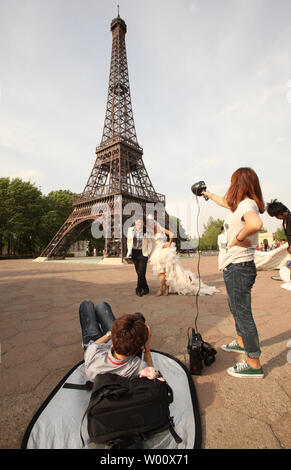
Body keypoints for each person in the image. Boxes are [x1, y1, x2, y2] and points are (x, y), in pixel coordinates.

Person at [202, 167, 265, 379]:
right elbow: (224, 202)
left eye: (232, 181)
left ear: (239, 183)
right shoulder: (240, 205)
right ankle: (241, 342)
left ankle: (254, 363)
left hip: (240, 267)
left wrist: (238, 237)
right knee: (236, 308)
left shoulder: (247, 204)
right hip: (234, 266)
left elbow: (256, 224)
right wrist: (207, 194)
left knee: (243, 314)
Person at [79, 300, 153, 382]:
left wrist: (110, 334)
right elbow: (151, 375)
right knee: (102, 306)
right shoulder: (137, 366)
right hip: (115, 345)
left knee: (87, 304)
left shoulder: (92, 351)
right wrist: (146, 345)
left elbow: (93, 345)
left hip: (100, 347)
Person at [148, 218, 219, 296]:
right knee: (163, 272)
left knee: (168, 271)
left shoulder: (159, 228)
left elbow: (171, 234)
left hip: (166, 251)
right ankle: (164, 289)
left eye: (151, 222)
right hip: (158, 252)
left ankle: (163, 289)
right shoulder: (149, 232)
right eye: (149, 223)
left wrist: (168, 244)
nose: (151, 224)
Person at [127, 217, 154, 296]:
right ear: (135, 221)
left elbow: (150, 242)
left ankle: (138, 289)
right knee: (139, 273)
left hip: (143, 253)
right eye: (139, 222)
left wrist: (148, 252)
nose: (140, 224)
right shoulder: (130, 230)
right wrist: (129, 250)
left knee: (141, 272)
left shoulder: (146, 231)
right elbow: (129, 240)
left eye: (141, 223)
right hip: (134, 253)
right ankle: (146, 288)